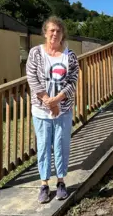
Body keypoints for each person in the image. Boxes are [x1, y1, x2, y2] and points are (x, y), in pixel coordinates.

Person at [26, 16, 79, 204]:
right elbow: (32, 78)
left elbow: (73, 82)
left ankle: (61, 182)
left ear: (63, 33)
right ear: (45, 33)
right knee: (43, 146)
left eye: (58, 30)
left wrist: (57, 100)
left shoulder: (70, 56)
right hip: (41, 109)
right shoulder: (36, 53)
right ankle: (44, 184)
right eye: (51, 30)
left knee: (61, 145)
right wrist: (48, 101)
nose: (55, 34)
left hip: (63, 109)